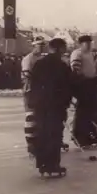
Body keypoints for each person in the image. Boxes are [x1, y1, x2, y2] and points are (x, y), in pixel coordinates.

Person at [29, 38, 73, 177]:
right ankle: (53, 164)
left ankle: (42, 164)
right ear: (59, 49)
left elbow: (33, 83)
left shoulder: (39, 64)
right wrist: (68, 100)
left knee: (42, 133)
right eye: (64, 48)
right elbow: (69, 85)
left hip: (41, 104)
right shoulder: (62, 65)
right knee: (54, 134)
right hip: (56, 104)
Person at [70, 35, 97, 147]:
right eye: (86, 43)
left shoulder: (90, 54)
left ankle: (88, 134)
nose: (89, 44)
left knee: (90, 111)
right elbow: (75, 70)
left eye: (90, 42)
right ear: (81, 44)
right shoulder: (77, 53)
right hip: (82, 84)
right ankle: (78, 135)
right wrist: (82, 82)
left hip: (91, 83)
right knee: (82, 111)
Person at [20, 36, 46, 157]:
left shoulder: (42, 58)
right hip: (30, 90)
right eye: (38, 45)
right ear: (34, 46)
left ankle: (38, 140)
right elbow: (27, 74)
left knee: (40, 116)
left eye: (42, 45)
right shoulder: (28, 59)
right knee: (30, 116)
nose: (41, 47)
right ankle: (30, 143)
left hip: (40, 90)